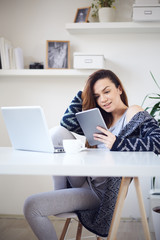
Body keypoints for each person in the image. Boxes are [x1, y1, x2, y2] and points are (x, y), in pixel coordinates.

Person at [24, 69, 160, 240]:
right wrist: (86, 92)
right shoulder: (100, 119)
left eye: (107, 91)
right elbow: (66, 122)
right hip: (82, 180)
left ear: (119, 89)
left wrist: (118, 143)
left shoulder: (132, 112)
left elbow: (158, 142)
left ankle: (62, 200)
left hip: (98, 193)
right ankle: (61, 194)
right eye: (97, 96)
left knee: (31, 206)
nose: (103, 99)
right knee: (57, 132)